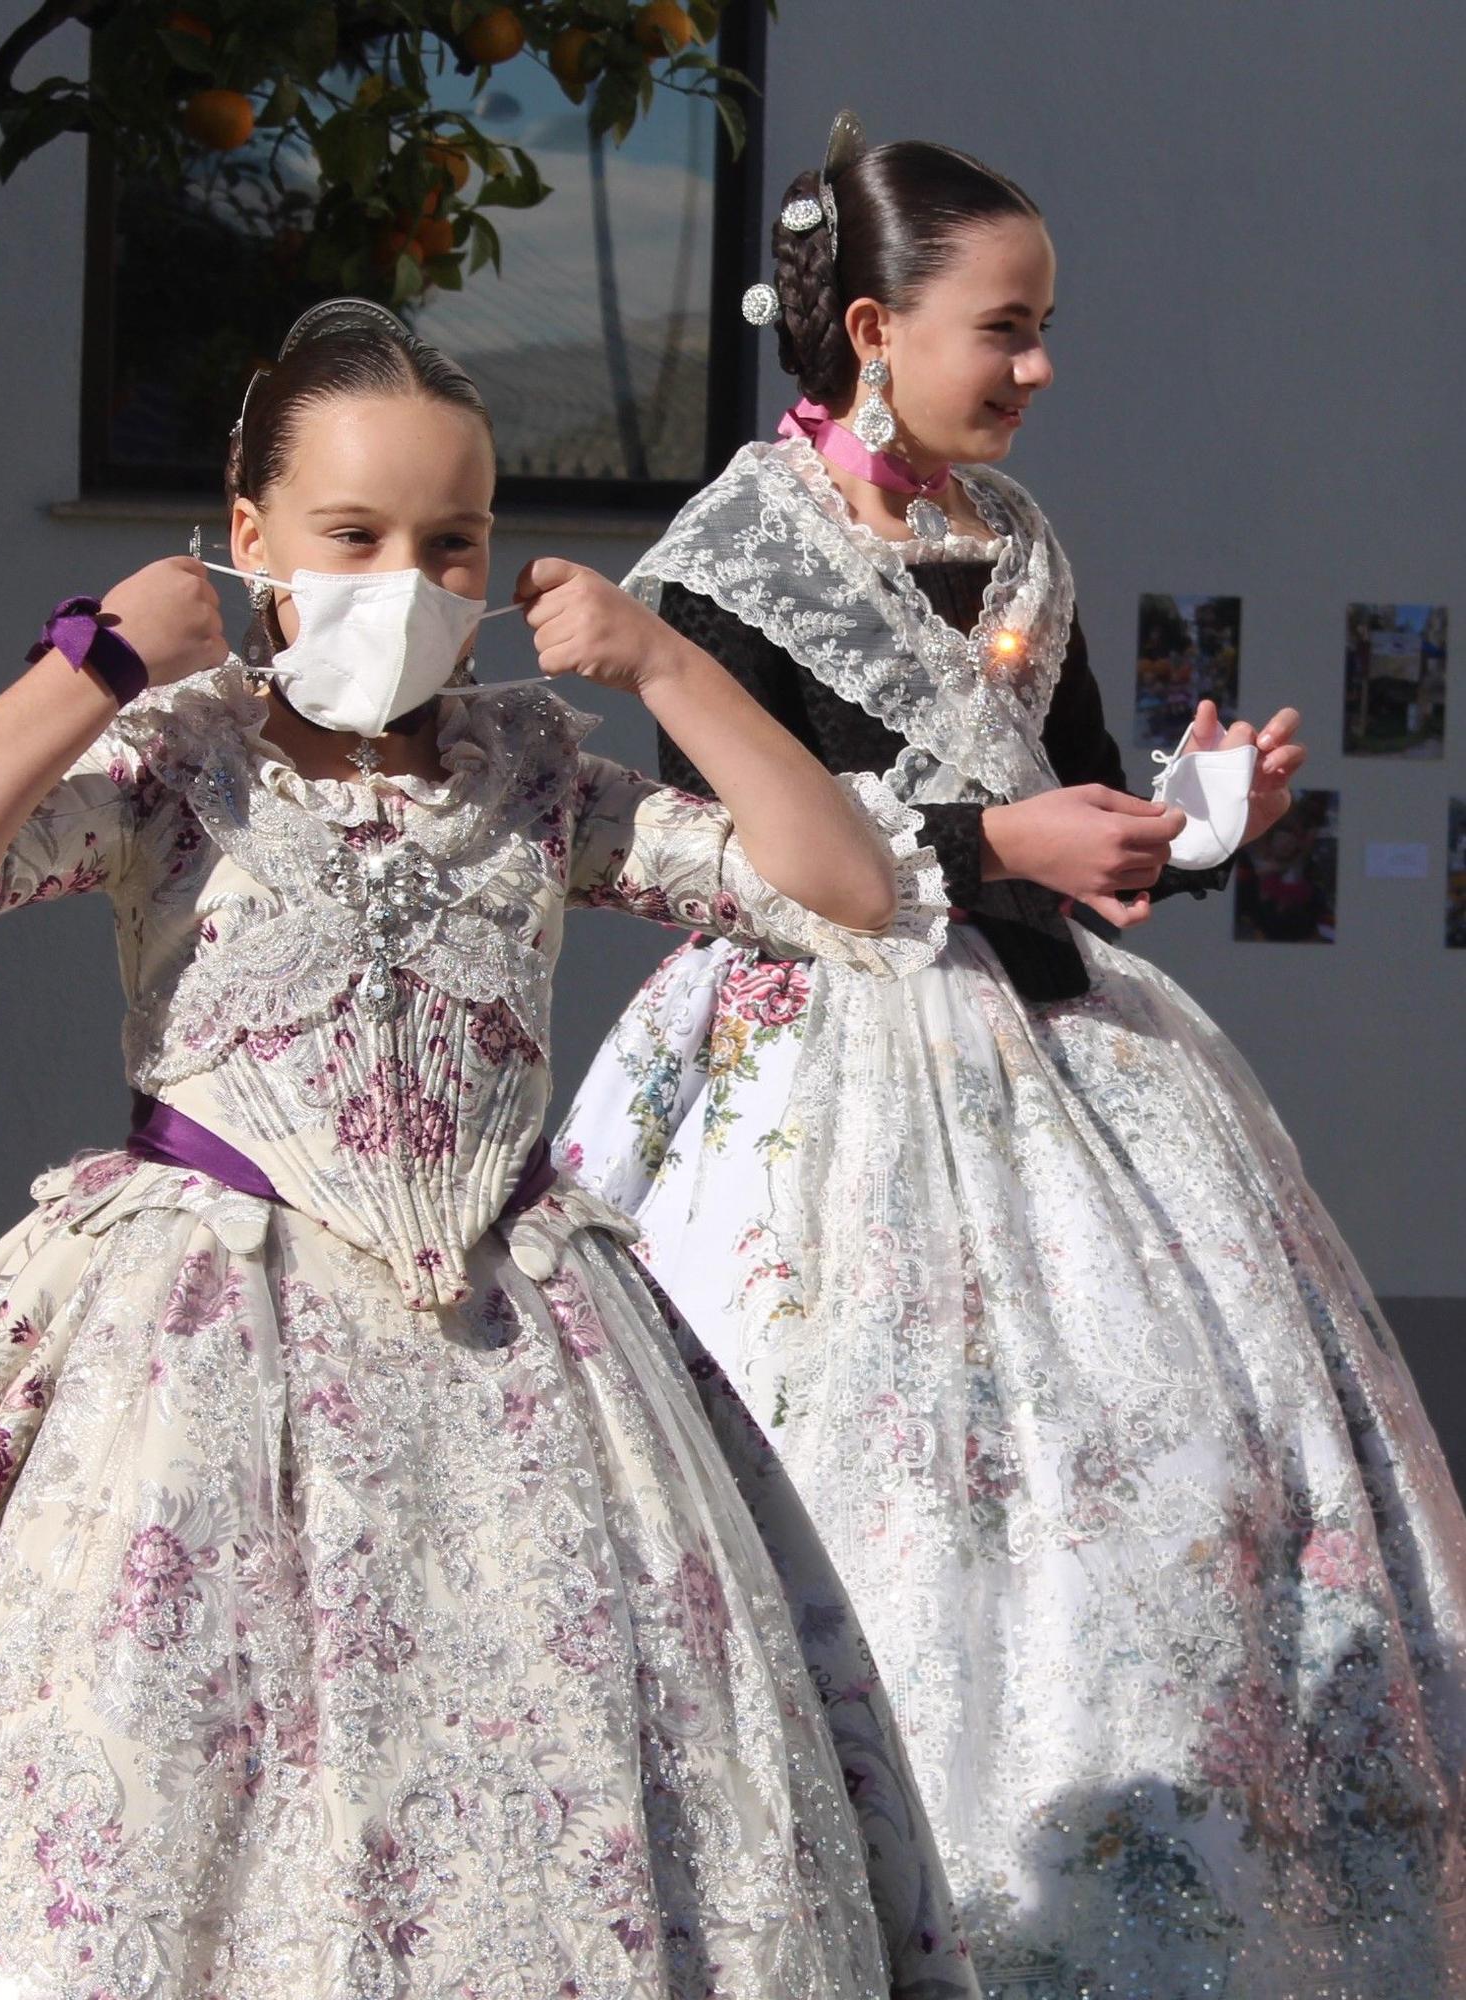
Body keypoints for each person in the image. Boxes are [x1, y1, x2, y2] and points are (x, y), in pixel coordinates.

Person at [0, 299, 975, 1999]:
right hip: (192, 1351)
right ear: (248, 541)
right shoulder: (170, 757)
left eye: (455, 545)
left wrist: (669, 666)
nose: (411, 580)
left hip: (519, 1364)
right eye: (355, 537)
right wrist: (93, 664)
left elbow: (848, 890)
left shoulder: (532, 772)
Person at [560, 116, 1466, 1998]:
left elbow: (1076, 838)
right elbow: (718, 862)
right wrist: (994, 847)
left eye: (1046, 326)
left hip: (1078, 1073)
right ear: (875, 327)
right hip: (813, 1091)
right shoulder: (721, 562)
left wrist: (1183, 824)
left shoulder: (1014, 537)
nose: (1043, 367)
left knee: (1194, 1497)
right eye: (1011, 328)